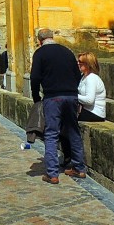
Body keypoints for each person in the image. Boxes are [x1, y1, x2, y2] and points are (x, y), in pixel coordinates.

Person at [30, 28, 86, 184]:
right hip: (71, 96)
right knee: (73, 131)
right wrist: (72, 91)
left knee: (51, 133)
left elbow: (35, 77)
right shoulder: (67, 51)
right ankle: (79, 168)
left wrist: (36, 96)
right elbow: (77, 74)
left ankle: (52, 173)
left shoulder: (40, 53)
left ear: (39, 41)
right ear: (52, 37)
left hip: (53, 96)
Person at [76, 51, 106, 122]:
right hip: (87, 111)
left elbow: (89, 100)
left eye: (80, 62)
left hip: (95, 113)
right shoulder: (84, 77)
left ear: (87, 64)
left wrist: (73, 95)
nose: (78, 63)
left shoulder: (91, 78)